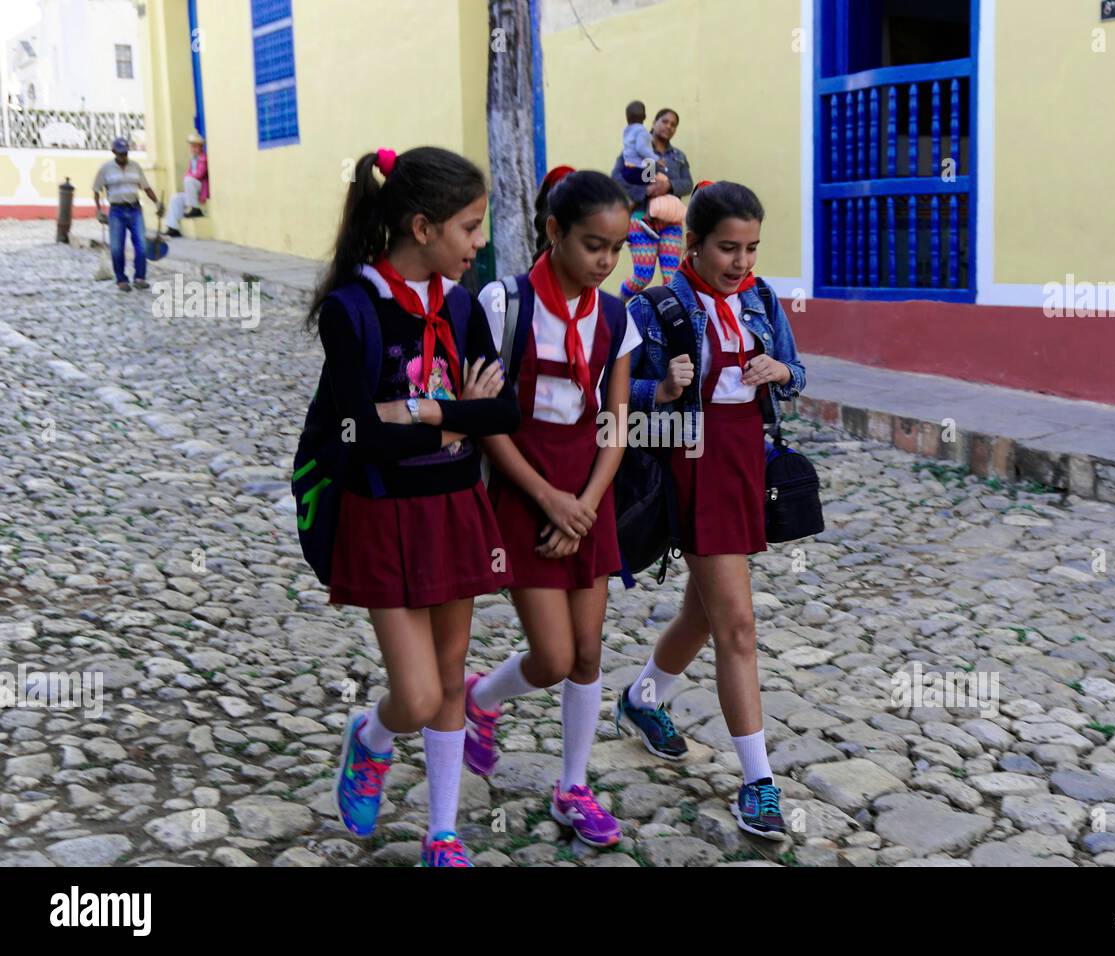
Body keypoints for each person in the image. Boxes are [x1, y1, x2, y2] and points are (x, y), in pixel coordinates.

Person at [305, 145, 520, 867]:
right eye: (469, 226)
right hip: (381, 512)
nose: (480, 241)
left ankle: (443, 832)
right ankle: (369, 738)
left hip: (453, 508)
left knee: (453, 673)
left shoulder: (461, 305)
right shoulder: (353, 309)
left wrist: (424, 413)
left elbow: (504, 414)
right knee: (420, 694)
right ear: (423, 227)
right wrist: (455, 415)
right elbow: (356, 433)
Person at [622, 181, 806, 839]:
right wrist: (660, 387)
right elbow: (610, 394)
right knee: (739, 626)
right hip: (690, 466)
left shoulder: (759, 298)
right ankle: (758, 783)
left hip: (744, 465)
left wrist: (779, 374)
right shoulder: (655, 308)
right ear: (691, 244)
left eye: (752, 248)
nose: (741, 262)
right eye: (728, 248)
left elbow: (799, 370)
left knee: (702, 613)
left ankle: (642, 700)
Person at [466, 169, 637, 848]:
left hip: (589, 493)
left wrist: (587, 505)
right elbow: (485, 420)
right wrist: (547, 499)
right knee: (553, 655)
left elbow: (616, 423)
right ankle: (481, 699)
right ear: (554, 231)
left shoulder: (616, 317)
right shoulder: (503, 304)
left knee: (589, 652)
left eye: (616, 249)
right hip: (523, 491)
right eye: (593, 244)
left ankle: (573, 788)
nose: (605, 261)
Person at [613, 108, 693, 299]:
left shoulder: (678, 156)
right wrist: (644, 191)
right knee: (642, 276)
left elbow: (688, 183)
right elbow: (617, 179)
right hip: (641, 220)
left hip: (670, 222)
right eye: (665, 121)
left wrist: (669, 185)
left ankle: (668, 320)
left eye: (673, 125)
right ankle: (616, 307)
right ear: (654, 122)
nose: (669, 127)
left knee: (672, 279)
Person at [93, 136, 162, 292]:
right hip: (116, 211)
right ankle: (121, 279)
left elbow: (146, 187)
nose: (123, 157)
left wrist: (157, 203)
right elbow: (97, 190)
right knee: (117, 247)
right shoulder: (106, 169)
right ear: (114, 152)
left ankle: (140, 277)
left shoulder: (135, 167)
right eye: (120, 153)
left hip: (135, 209)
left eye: (125, 153)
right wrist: (98, 210)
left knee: (141, 245)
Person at [163, 130, 209, 237]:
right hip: (192, 190)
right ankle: (173, 227)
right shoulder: (192, 159)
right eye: (191, 146)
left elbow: (200, 174)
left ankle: (195, 208)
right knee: (175, 198)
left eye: (195, 146)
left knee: (188, 180)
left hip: (200, 188)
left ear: (200, 147)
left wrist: (188, 177)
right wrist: (188, 177)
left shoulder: (203, 158)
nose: (193, 148)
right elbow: (188, 173)